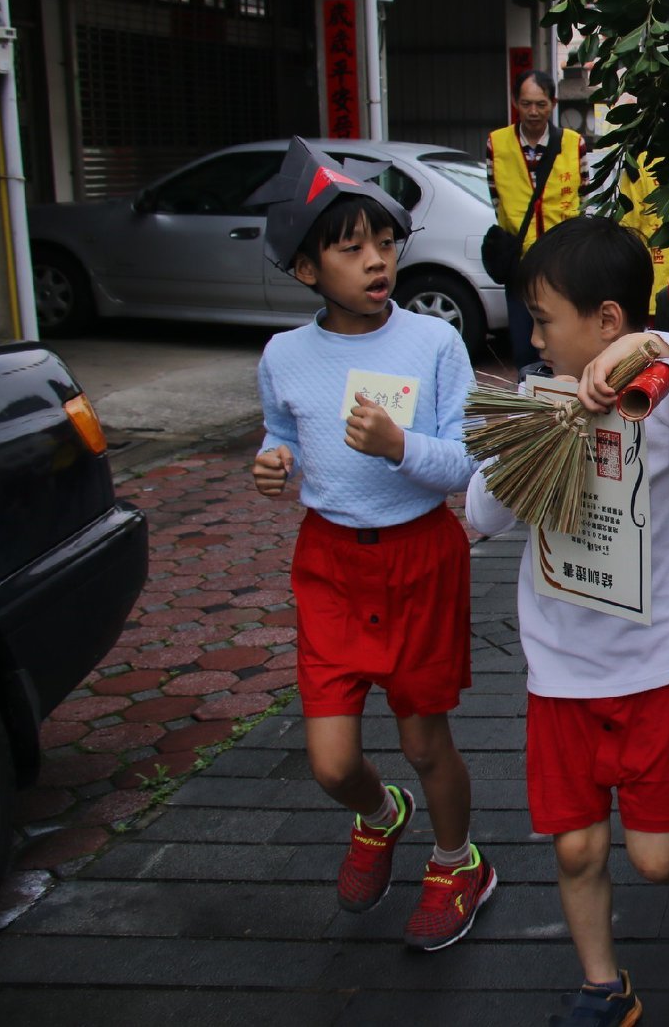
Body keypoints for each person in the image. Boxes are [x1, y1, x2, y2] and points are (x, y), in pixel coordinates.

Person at [465, 215, 669, 1023]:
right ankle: (604, 988)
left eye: (542, 319)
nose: (531, 337)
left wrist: (657, 349)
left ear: (606, 321)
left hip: (660, 666)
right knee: (575, 846)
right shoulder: (541, 406)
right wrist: (532, 440)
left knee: (656, 854)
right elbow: (481, 516)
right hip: (562, 668)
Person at [247, 139, 491, 951]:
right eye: (349, 248)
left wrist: (397, 446)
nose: (375, 261)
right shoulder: (283, 355)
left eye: (383, 242)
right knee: (329, 763)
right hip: (329, 563)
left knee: (425, 741)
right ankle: (379, 816)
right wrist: (273, 462)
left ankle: (459, 863)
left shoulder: (433, 344)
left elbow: (459, 464)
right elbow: (281, 431)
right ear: (306, 271)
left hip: (421, 557)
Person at [487, 69, 586, 371]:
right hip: (521, 260)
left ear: (553, 103)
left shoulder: (573, 142)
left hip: (561, 258)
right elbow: (496, 199)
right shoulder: (497, 143)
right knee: (523, 341)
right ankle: (527, 403)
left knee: (563, 337)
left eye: (540, 104)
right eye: (526, 103)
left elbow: (584, 197)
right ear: (515, 102)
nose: (533, 112)